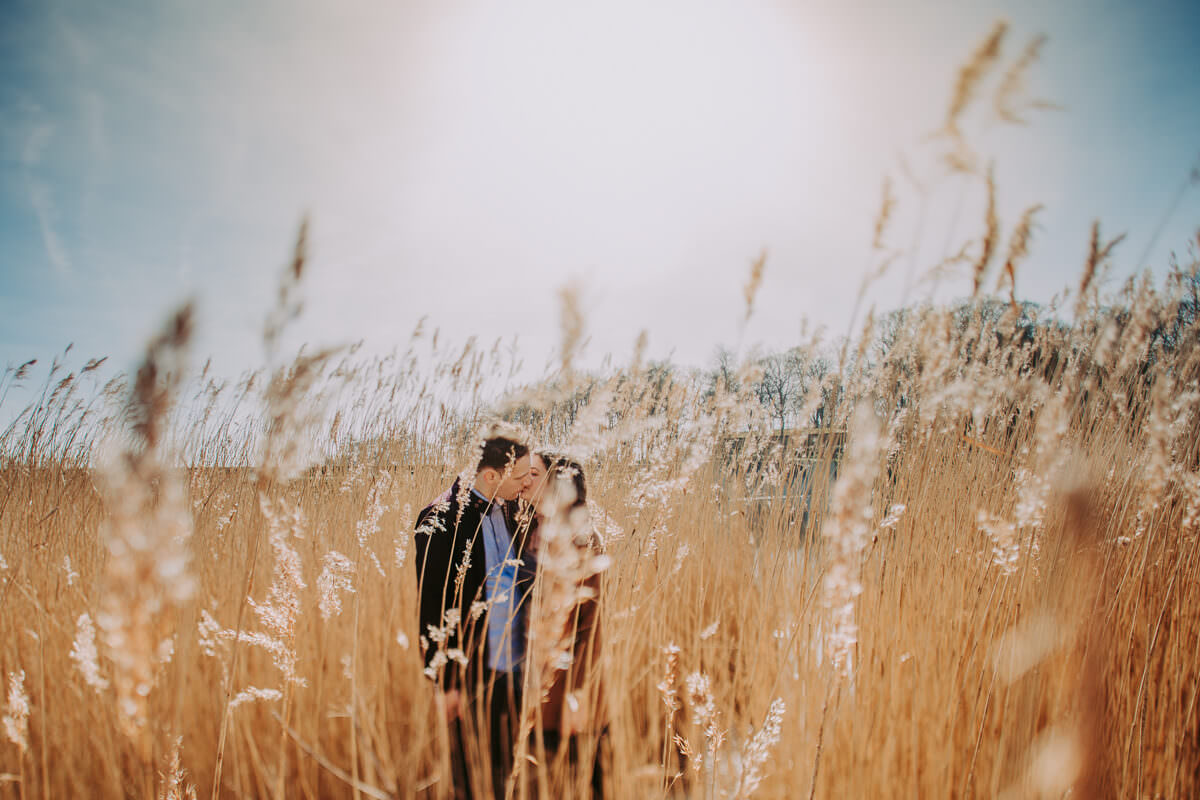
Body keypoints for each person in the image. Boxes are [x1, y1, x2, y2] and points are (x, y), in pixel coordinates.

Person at [413, 434, 535, 800]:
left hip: (517, 668)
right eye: (521, 476)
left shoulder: (515, 510)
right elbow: (431, 605)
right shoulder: (441, 519)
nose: (528, 483)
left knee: (510, 773)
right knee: (470, 775)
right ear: (492, 477)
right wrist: (445, 682)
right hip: (471, 675)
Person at [519, 450, 607, 798]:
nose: (526, 480)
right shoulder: (525, 530)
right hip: (533, 678)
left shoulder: (584, 537)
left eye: (536, 474)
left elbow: (592, 623)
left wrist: (576, 692)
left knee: (578, 774)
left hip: (568, 681)